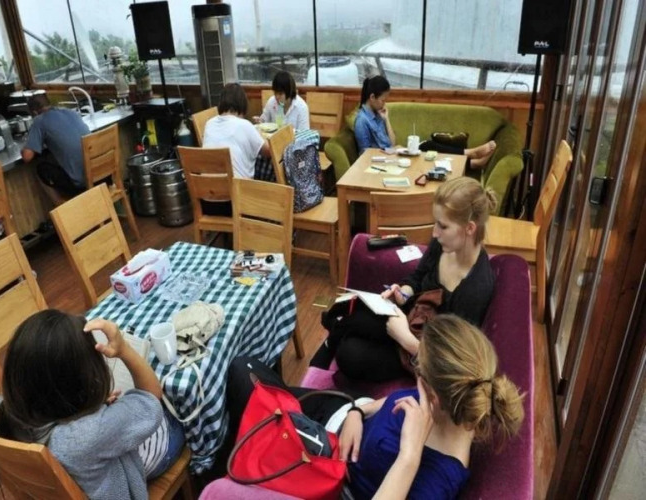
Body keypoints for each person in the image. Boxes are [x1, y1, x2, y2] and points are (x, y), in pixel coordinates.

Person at [222, 314, 524, 500]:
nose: (416, 368)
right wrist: (357, 411)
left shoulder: (439, 479)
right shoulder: (448, 401)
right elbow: (387, 403)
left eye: (418, 364)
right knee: (254, 377)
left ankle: (227, 470)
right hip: (345, 414)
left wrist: (409, 457)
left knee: (242, 376)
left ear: (433, 394)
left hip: (326, 458)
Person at [0, 310, 186, 499]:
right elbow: (151, 397)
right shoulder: (89, 434)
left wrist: (88, 410)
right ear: (84, 383)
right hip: (120, 474)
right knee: (178, 418)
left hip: (76, 476)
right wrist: (123, 349)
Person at [316, 177, 497, 382]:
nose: (434, 233)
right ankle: (335, 335)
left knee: (350, 354)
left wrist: (405, 339)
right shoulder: (444, 245)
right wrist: (403, 291)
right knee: (353, 312)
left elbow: (452, 362)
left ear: (470, 228)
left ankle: (336, 341)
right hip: (411, 317)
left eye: (443, 226)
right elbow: (417, 277)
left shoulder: (475, 289)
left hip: (422, 348)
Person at [353, 75, 497, 168]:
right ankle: (471, 156)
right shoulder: (362, 121)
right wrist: (390, 152)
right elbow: (365, 155)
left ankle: (472, 161)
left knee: (429, 150)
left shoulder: (378, 114)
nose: (384, 104)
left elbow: (392, 142)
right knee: (427, 148)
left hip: (392, 154)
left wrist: (387, 120)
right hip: (385, 161)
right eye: (383, 100)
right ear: (372, 97)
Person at [21, 93, 90, 206]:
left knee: (41, 169)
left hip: (81, 183)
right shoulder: (70, 112)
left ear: (34, 113)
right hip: (100, 174)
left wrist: (26, 145)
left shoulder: (39, 121)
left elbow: (27, 156)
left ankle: (63, 208)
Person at [203, 82, 271, 180]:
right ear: (242, 104)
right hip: (237, 187)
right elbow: (269, 151)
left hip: (206, 186)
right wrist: (260, 134)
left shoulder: (209, 124)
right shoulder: (244, 125)